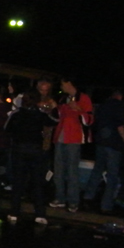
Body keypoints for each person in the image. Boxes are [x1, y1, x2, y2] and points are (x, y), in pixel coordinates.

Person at [5, 90, 57, 224]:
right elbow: (54, 120)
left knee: (18, 182)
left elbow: (7, 128)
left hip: (19, 149)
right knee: (37, 182)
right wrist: (54, 108)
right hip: (35, 150)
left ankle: (14, 212)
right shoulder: (39, 114)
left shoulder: (17, 114)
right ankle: (40, 214)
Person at [82, 89, 124, 213]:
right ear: (120, 97)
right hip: (114, 143)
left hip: (101, 142)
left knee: (98, 169)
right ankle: (106, 204)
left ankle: (88, 196)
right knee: (112, 175)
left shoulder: (103, 105)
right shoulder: (119, 105)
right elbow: (119, 125)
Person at [49, 76, 93, 213]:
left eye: (63, 84)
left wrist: (79, 109)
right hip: (60, 137)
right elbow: (57, 117)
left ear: (69, 83)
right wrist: (53, 108)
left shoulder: (84, 98)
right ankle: (60, 198)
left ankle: (73, 201)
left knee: (72, 171)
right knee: (58, 170)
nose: (61, 87)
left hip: (74, 138)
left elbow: (90, 120)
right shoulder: (63, 99)